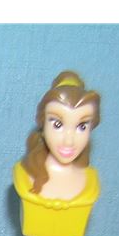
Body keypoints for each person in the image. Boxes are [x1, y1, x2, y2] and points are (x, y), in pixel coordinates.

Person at [22, 71, 100, 200]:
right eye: (57, 125)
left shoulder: (90, 183)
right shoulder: (24, 179)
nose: (69, 141)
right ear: (43, 124)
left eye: (82, 126)